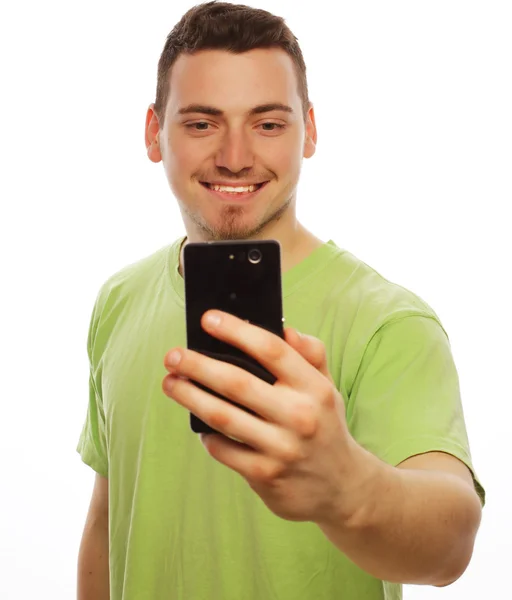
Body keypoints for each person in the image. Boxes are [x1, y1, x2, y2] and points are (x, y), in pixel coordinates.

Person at [76, 2, 486, 599]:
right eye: (201, 123)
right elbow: (107, 522)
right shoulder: (118, 299)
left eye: (268, 124)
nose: (236, 155)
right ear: (153, 133)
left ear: (310, 131)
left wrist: (348, 484)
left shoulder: (388, 321)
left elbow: (450, 546)